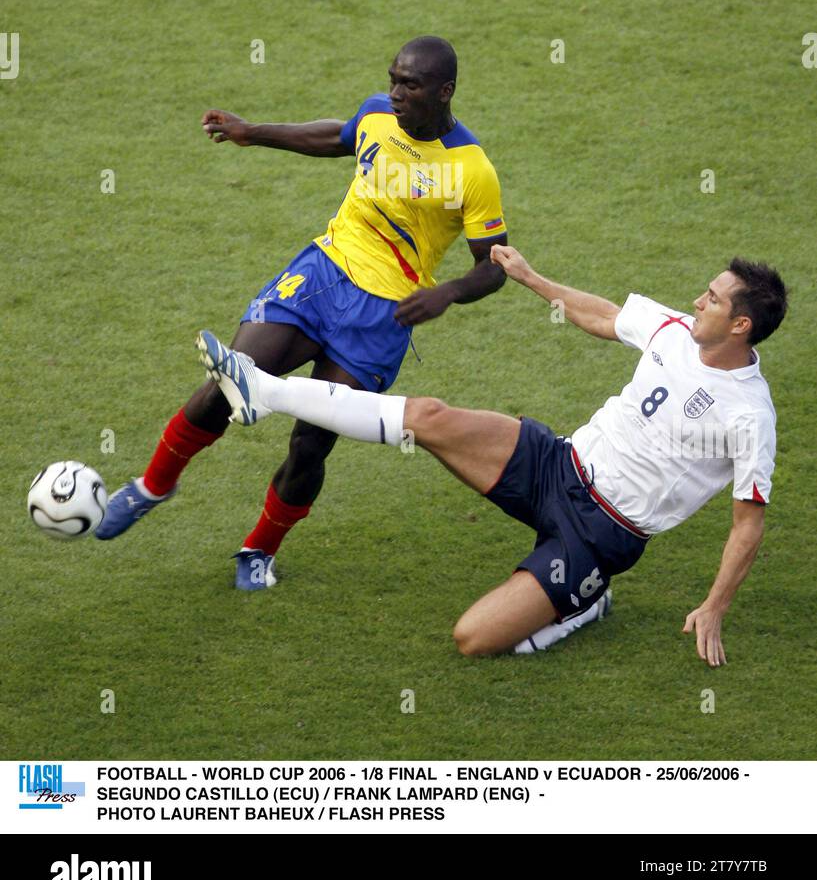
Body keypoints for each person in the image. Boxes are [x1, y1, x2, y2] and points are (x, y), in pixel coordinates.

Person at [195, 248, 787, 664]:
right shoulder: (677, 329)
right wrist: (532, 278)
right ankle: (264, 391)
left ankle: (584, 605)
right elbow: (605, 315)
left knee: (473, 638)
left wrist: (713, 608)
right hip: (557, 463)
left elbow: (748, 523)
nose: (695, 301)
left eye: (710, 299)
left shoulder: (748, 415)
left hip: (600, 534)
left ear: (740, 324)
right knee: (428, 417)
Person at [97, 36, 509, 589]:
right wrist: (252, 132)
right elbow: (335, 137)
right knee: (227, 381)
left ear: (444, 91)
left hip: (384, 315)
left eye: (408, 86)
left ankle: (259, 550)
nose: (395, 93)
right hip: (323, 274)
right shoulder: (377, 114)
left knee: (310, 444)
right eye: (392, 79)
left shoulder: (471, 168)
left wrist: (449, 292)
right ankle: (153, 485)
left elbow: (495, 266)